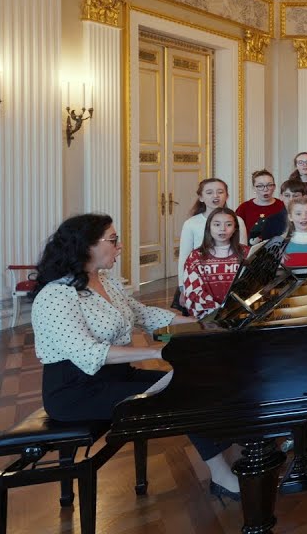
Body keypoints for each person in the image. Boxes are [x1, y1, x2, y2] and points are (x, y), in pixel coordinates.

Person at [31, 214, 240, 502]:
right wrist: (157, 351)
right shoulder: (56, 295)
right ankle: (221, 474)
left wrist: (202, 322)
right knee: (184, 393)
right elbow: (90, 352)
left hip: (116, 376)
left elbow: (143, 313)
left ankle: (234, 455)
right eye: (113, 240)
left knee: (194, 384)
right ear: (87, 246)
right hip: (75, 391)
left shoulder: (105, 281)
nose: (120, 246)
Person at [177, 179, 247, 296]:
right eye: (209, 193)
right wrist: (182, 286)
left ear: (227, 195)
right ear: (201, 197)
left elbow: (243, 253)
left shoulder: (238, 220)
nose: (215, 196)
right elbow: (185, 256)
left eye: (220, 192)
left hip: (230, 278)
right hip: (201, 279)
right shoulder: (191, 223)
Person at [179, 207, 248, 318]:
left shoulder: (246, 253)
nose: (222, 229)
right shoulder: (195, 257)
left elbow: (254, 285)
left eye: (229, 225)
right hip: (211, 319)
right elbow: (193, 293)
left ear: (235, 228)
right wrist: (219, 313)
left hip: (242, 315)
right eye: (217, 225)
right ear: (209, 228)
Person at [236, 170, 284, 237]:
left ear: (274, 187)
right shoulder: (244, 208)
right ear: (253, 188)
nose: (265, 189)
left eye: (269, 185)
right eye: (260, 186)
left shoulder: (282, 206)